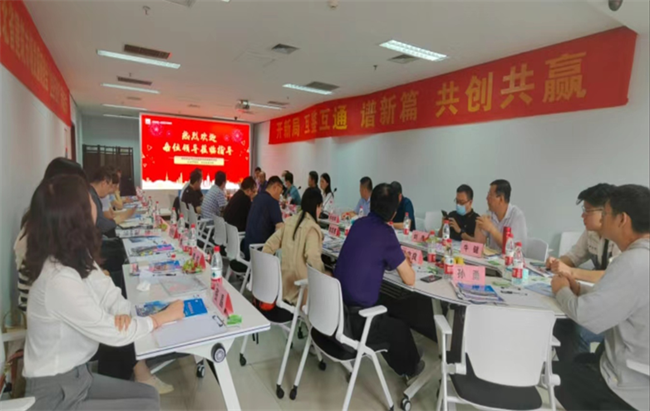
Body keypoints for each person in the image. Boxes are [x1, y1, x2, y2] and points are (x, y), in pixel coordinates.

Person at [22, 175, 186, 411]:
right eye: (87, 198)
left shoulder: (74, 255)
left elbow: (107, 291)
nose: (93, 202)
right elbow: (110, 332)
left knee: (149, 396)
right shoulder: (58, 279)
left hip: (80, 377)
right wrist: (160, 318)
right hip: (57, 395)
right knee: (147, 406)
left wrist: (123, 312)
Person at [552, 184, 649, 411]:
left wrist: (561, 290)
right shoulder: (639, 257)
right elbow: (621, 298)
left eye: (605, 214)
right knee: (579, 361)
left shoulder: (633, 262)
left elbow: (586, 316)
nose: (601, 219)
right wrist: (580, 290)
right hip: (636, 372)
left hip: (628, 387)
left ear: (622, 219)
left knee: (548, 374)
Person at [334, 183, 423, 382]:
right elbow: (410, 279)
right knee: (399, 329)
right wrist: (402, 261)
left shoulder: (359, 224)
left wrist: (396, 258)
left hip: (338, 309)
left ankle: (407, 359)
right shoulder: (386, 234)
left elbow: (373, 255)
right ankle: (411, 368)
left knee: (388, 317)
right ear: (393, 213)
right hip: (357, 321)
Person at [547, 184, 621, 283]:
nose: (582, 215)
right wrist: (557, 263)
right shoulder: (591, 231)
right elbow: (574, 256)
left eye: (588, 211)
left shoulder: (620, 237)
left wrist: (571, 271)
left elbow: (614, 275)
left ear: (605, 211)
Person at [263, 188, 324, 305]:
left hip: (284, 287)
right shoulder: (312, 228)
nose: (320, 211)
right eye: (320, 207)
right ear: (317, 206)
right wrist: (323, 276)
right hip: (302, 292)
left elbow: (269, 245)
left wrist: (271, 273)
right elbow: (312, 257)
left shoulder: (290, 221)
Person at [471, 179, 528, 251]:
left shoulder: (517, 216)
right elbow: (479, 245)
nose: (487, 198)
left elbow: (511, 248)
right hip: (493, 257)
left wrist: (491, 229)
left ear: (501, 199)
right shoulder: (490, 213)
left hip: (512, 257)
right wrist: (479, 226)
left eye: (490, 195)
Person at [243, 176, 284, 260]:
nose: (279, 196)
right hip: (261, 254)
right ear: (275, 187)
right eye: (280, 193)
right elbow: (280, 229)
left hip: (248, 250)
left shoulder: (257, 198)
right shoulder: (272, 202)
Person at [89, 167, 135, 236]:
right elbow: (101, 224)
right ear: (104, 184)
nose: (110, 190)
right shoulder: (92, 197)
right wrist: (123, 217)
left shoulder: (90, 192)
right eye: (110, 186)